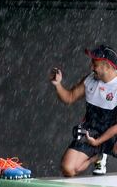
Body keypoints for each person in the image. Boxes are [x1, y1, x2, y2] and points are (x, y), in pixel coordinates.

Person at [50, 44, 117, 177]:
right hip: (91, 132)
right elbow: (69, 97)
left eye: (95, 64)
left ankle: (104, 150)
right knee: (68, 169)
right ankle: (98, 157)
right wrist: (58, 85)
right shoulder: (89, 80)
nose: (91, 67)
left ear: (107, 66)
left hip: (113, 133)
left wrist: (99, 142)